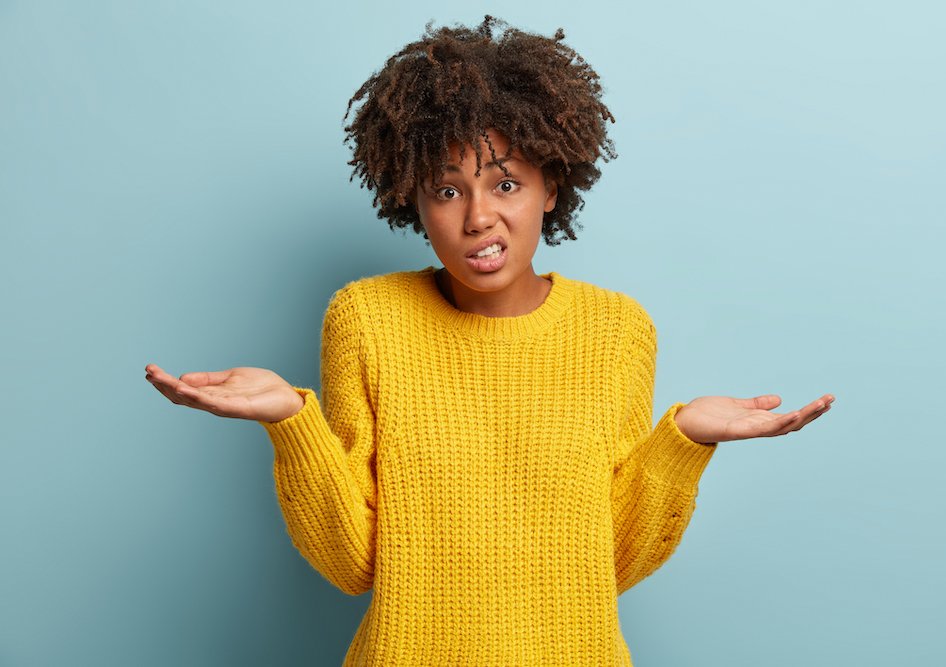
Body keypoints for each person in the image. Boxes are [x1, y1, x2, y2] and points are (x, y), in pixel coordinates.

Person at [145, 15, 834, 666]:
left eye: (506, 183)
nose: (479, 217)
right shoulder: (366, 318)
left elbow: (608, 566)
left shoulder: (618, 331)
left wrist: (682, 441)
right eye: (446, 191)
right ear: (411, 198)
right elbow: (353, 562)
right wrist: (294, 423)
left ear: (552, 188)